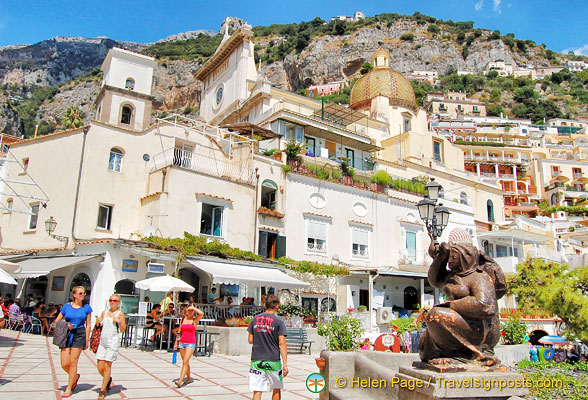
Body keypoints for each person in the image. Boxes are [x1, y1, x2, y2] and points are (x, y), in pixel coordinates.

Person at [418, 234, 506, 365]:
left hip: (480, 330)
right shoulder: (453, 277)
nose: (450, 261)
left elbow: (486, 306)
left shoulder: (479, 277)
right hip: (464, 323)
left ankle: (461, 355)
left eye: (453, 257)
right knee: (423, 347)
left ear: (465, 258)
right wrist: (441, 258)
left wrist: (451, 305)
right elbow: (434, 280)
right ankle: (449, 353)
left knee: (435, 315)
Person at [54, 286, 92, 398]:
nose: (83, 295)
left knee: (73, 362)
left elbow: (88, 324)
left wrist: (87, 339)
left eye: (84, 293)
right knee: (64, 363)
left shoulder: (86, 308)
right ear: (74, 295)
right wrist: (66, 325)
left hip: (79, 334)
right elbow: (57, 320)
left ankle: (69, 388)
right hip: (67, 333)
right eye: (80, 293)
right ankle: (75, 377)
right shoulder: (66, 306)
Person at [247, 295, 288, 400]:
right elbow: (282, 343)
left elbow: (250, 340)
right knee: (276, 387)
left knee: (257, 389)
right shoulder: (279, 322)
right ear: (277, 306)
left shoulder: (255, 319)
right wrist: (285, 364)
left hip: (257, 359)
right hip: (273, 359)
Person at [95, 294, 126, 400]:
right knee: (100, 366)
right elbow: (99, 325)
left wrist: (119, 321)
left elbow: (122, 329)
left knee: (107, 366)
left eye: (115, 300)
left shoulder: (120, 314)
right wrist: (98, 321)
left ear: (118, 302)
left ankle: (102, 390)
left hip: (112, 342)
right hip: (102, 342)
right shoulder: (104, 313)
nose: (112, 302)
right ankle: (107, 379)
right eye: (111, 300)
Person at [173, 305, 204, 388]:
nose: (190, 312)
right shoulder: (183, 319)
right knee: (185, 362)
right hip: (182, 342)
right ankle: (189, 378)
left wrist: (193, 307)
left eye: (192, 311)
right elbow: (179, 332)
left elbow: (201, 313)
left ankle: (180, 381)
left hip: (190, 343)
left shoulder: (194, 320)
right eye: (189, 310)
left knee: (185, 361)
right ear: (186, 311)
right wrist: (176, 343)